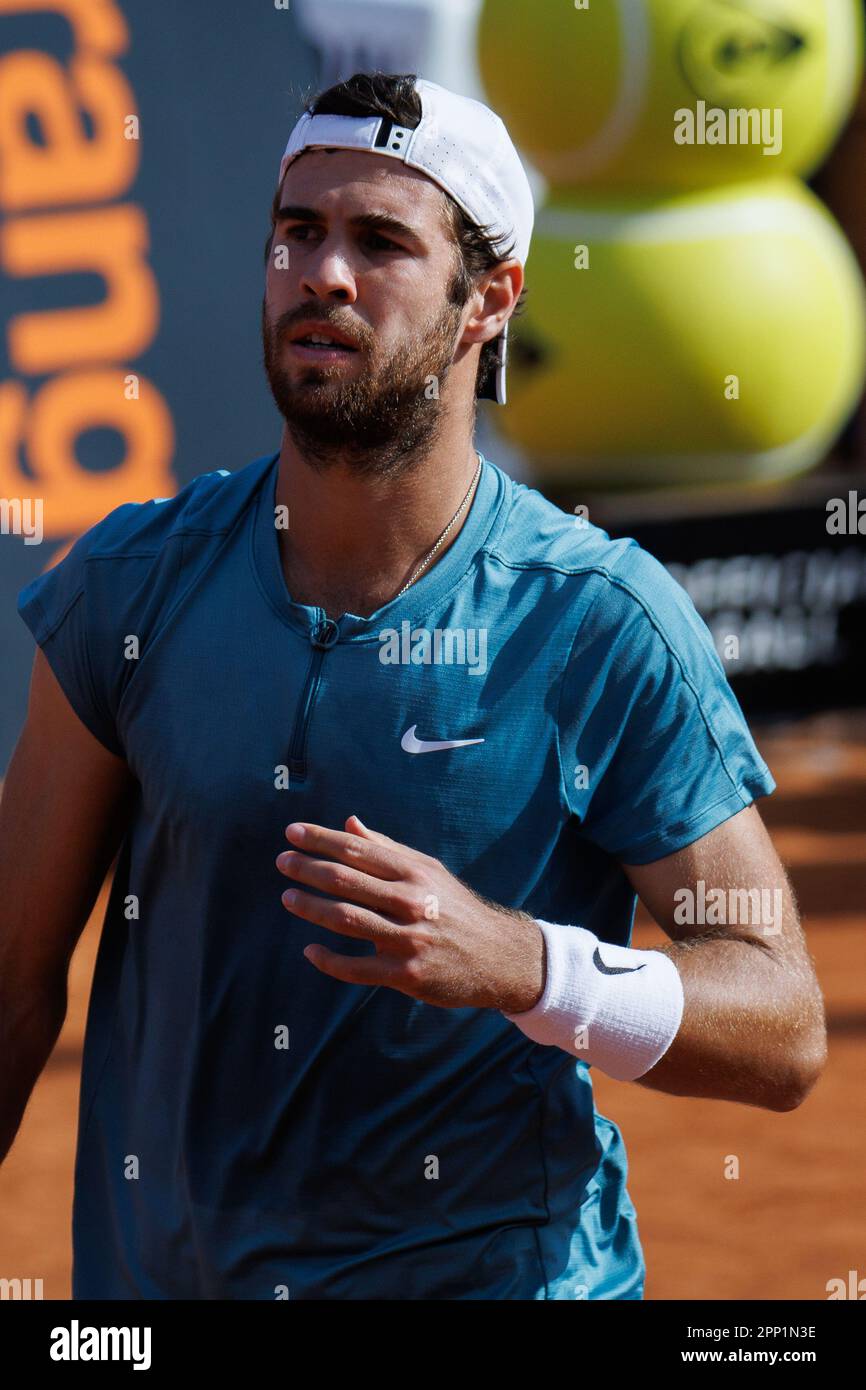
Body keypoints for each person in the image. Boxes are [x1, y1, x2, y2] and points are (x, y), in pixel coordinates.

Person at [1, 72, 825, 1300]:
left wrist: (524, 965)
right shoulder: (128, 587)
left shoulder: (595, 618)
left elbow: (782, 1020)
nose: (321, 273)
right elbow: (12, 974)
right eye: (298, 231)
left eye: (380, 240)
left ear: (488, 300)